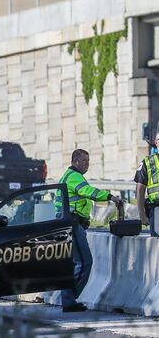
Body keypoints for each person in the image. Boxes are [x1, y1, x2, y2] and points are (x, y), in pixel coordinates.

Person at [56, 149, 121, 312]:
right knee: (84, 262)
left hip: (68, 223)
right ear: (75, 161)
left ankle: (68, 300)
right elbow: (88, 192)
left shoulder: (68, 176)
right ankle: (69, 300)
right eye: (84, 160)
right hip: (72, 223)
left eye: (88, 161)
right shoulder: (74, 177)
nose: (87, 164)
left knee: (73, 264)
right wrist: (110, 196)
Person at [134, 131, 159, 236]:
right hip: (157, 210)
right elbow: (140, 189)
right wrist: (142, 214)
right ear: (156, 143)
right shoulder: (148, 162)